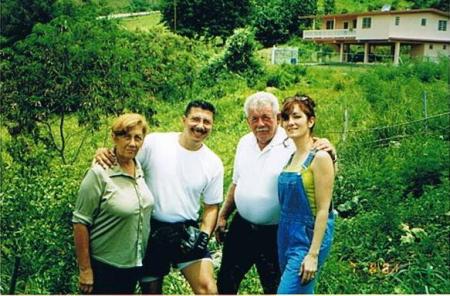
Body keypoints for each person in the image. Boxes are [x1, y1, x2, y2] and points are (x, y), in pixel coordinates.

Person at [95, 100, 223, 295]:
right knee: (151, 291)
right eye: (195, 119)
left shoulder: (213, 163)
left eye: (207, 122)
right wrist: (103, 152)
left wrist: (203, 236)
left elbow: (212, 206)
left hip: (186, 231)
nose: (200, 126)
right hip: (151, 229)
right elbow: (125, 155)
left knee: (208, 290)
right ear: (184, 119)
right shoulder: (156, 143)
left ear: (212, 125)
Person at [215, 92, 335, 294]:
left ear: (276, 118)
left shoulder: (292, 142)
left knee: (276, 286)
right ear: (247, 121)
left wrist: (331, 150)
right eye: (254, 118)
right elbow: (237, 182)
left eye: (266, 117)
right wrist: (223, 215)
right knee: (226, 281)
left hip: (276, 231)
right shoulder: (244, 142)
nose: (260, 123)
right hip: (242, 226)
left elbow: (319, 165)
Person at [73, 113, 154, 294]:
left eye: (137, 138)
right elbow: (80, 222)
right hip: (105, 267)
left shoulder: (140, 169)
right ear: (114, 138)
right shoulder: (99, 173)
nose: (132, 143)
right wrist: (85, 270)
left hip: (133, 265)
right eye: (126, 136)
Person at [277, 95, 335, 294]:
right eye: (286, 118)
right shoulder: (292, 157)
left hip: (308, 237)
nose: (290, 122)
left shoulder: (320, 157)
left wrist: (313, 254)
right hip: (285, 234)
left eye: (296, 116)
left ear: (311, 121)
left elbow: (323, 210)